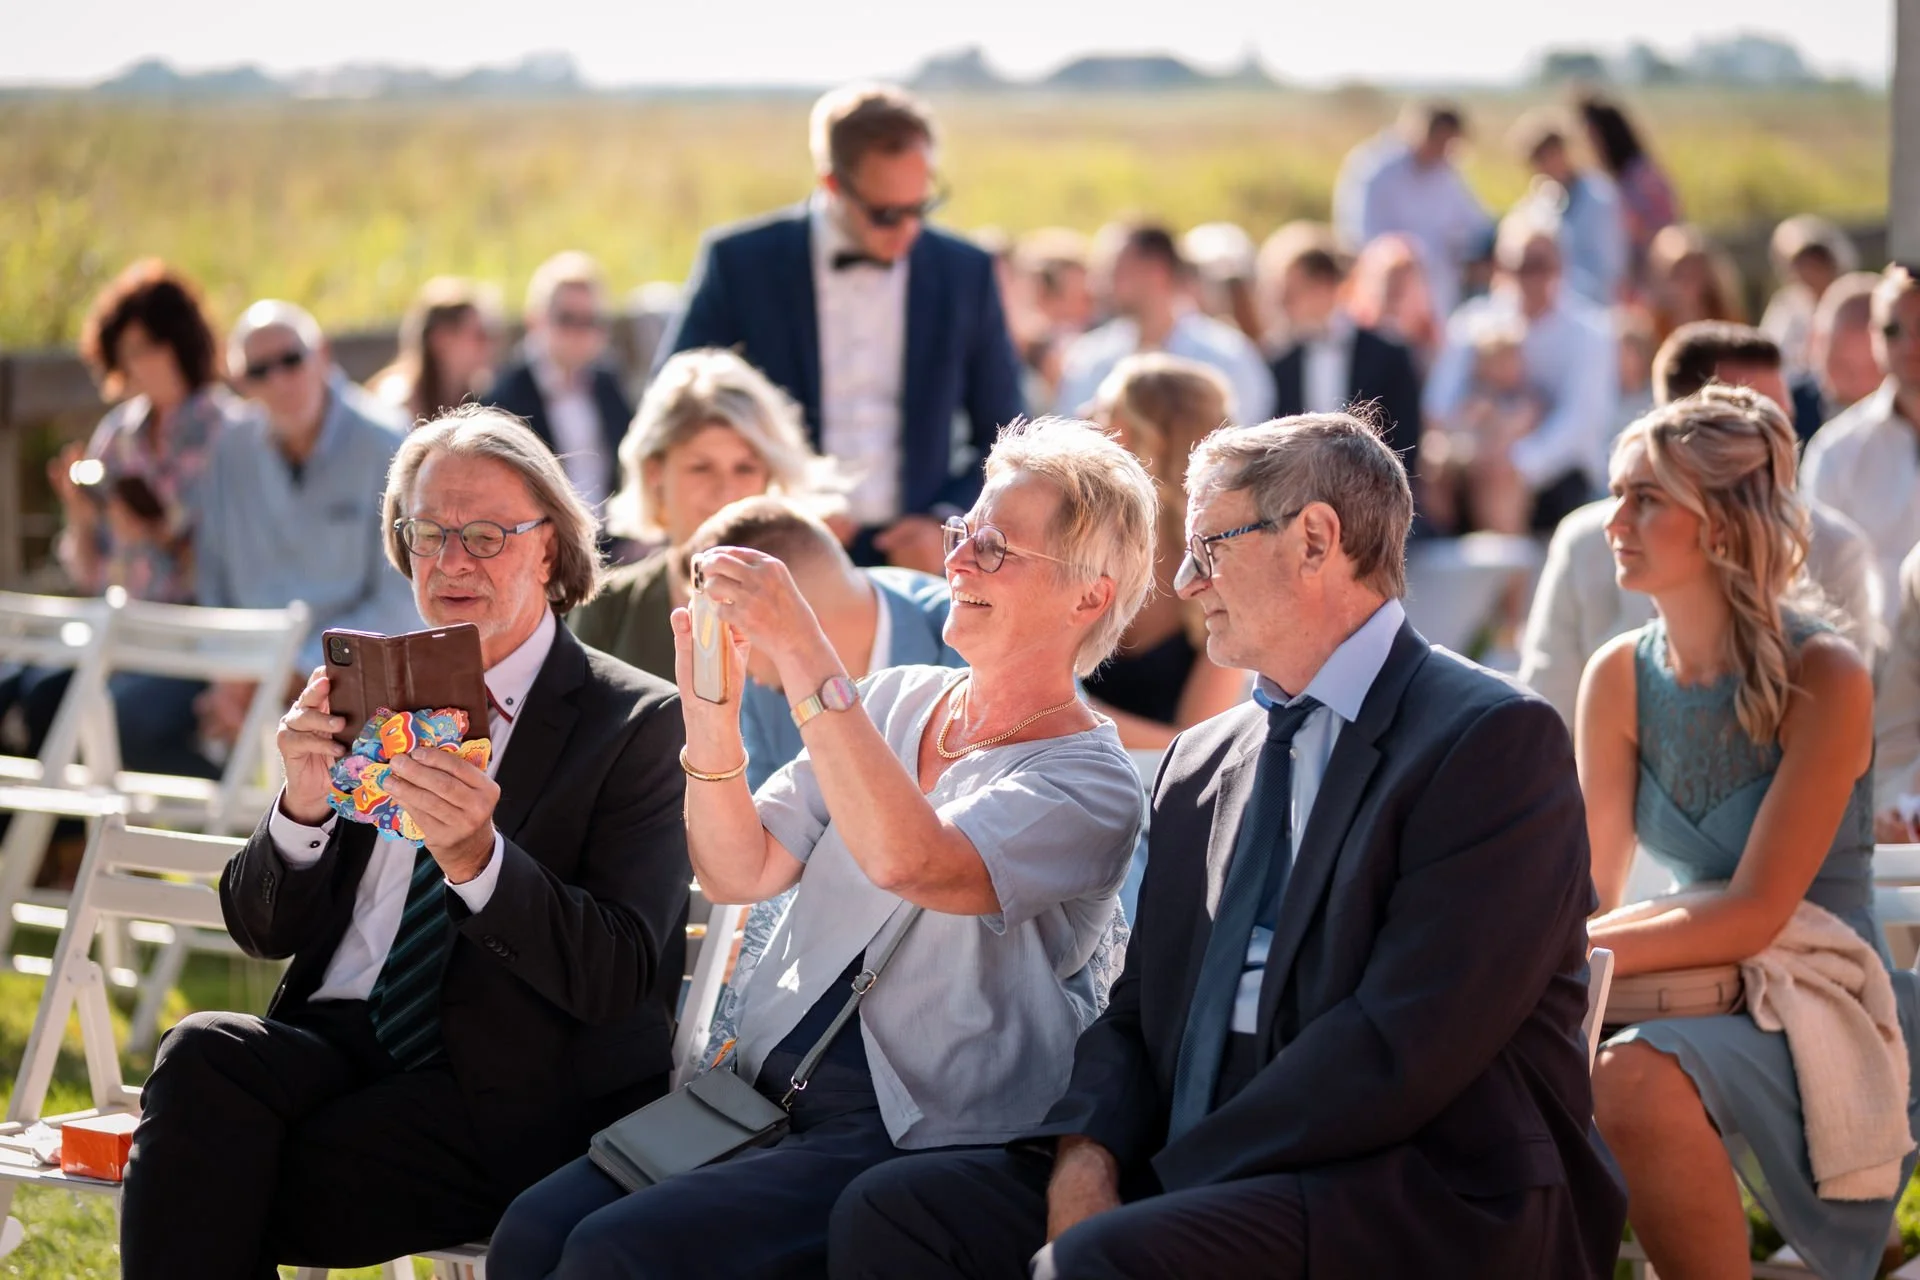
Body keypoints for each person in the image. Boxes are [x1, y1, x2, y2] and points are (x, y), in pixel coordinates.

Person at [830, 411, 1626, 1279]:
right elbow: (1136, 1011)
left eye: (1208, 547)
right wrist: (1087, 1157)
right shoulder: (1203, 757)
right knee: (897, 1213)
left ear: (1316, 540)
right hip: (1206, 1144)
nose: (1182, 581)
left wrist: (1171, 1183)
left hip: (1412, 1184)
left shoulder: (1492, 740)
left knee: (1103, 1259)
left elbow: (1403, 1047)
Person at [486, 416, 1155, 1279]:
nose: (957, 561)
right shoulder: (893, 696)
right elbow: (740, 869)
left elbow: (915, 860)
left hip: (909, 1131)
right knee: (533, 1233)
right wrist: (714, 726)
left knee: (619, 1255)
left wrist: (805, 652)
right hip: (759, 1098)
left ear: (1088, 595)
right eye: (962, 536)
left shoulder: (1090, 782)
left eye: (994, 548)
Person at [118, 406, 692, 1277]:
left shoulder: (637, 723)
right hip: (336, 1043)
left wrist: (477, 860)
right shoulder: (373, 686)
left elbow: (618, 978)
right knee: (201, 1053)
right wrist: (301, 809)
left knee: (210, 1175)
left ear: (550, 549)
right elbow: (258, 931)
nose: (454, 560)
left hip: (510, 1089)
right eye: (429, 533)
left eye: (488, 534)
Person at [1581, 385, 1920, 1280]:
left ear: (1722, 528)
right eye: (1617, 491)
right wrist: (1539, 947)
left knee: (1629, 1080)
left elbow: (1758, 911)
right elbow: (1590, 888)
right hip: (1702, 984)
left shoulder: (1826, 673)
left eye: (1646, 498)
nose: (1614, 518)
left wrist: (1549, 950)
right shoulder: (1616, 675)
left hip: (1828, 994)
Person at [660, 82, 1024, 575]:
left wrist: (947, 520)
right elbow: (678, 405)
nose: (908, 230)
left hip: (918, 558)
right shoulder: (740, 264)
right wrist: (784, 503)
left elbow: (1007, 431)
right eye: (886, 214)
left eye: (921, 207)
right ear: (832, 185)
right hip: (775, 550)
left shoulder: (966, 272)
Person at [1519, 321, 1883, 725]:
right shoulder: (1586, 545)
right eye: (1745, 425)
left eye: (1782, 421)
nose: (1773, 445)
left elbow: (1846, 730)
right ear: (1674, 427)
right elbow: (1545, 717)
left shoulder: (1834, 551)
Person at [4, 259, 248, 778]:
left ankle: (228, 822)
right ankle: (59, 847)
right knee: (24, 693)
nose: (135, 365)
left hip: (192, 641)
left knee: (105, 716)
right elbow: (92, 573)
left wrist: (160, 537)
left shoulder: (230, 433)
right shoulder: (120, 434)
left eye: (145, 348)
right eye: (125, 353)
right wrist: (81, 514)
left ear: (179, 342)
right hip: (120, 629)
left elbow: (242, 564)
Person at [194, 300, 423, 751]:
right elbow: (211, 574)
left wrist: (295, 670)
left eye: (291, 359)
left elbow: (403, 597)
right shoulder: (229, 450)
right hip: (243, 676)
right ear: (240, 383)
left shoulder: (389, 442)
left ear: (322, 354)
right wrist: (229, 672)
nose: (279, 379)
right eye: (259, 371)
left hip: (354, 681)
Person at [570, 348, 843, 679]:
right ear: (656, 473)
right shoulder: (608, 607)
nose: (726, 492)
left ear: (771, 476)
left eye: (745, 468)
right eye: (701, 468)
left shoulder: (813, 601)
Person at [1084, 354, 1250, 746]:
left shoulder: (1229, 575)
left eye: (1106, 411)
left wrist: (1063, 710)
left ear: (1149, 440)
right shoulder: (1078, 542)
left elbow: (1195, 747)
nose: (1085, 416)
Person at [1423, 211, 1618, 536]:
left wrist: (1519, 460)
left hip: (1559, 473)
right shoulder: (1473, 321)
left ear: (1560, 265)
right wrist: (1476, 432)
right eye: (1520, 265)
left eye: (1540, 264)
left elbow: (1582, 422)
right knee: (1430, 464)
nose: (1530, 276)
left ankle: (1511, 579)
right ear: (1500, 267)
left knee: (1502, 482)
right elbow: (1439, 403)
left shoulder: (1590, 332)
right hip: (1478, 448)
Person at [1055, 223, 1274, 426]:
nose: (1099, 283)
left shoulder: (1226, 355)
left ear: (1156, 271)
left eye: (1116, 269)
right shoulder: (1091, 356)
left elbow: (1240, 439)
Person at [1802, 265, 1920, 632]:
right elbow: (1816, 583)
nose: (1909, 344)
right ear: (1874, 336)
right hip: (1877, 671)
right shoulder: (1836, 451)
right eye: (1892, 329)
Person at [1261, 225, 1424, 466]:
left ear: (1324, 286)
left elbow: (1406, 438)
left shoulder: (1388, 355)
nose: (1283, 304)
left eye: (1291, 293)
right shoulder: (1278, 361)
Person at [482, 251, 632, 511]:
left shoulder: (607, 383)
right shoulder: (503, 397)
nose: (579, 333)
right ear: (534, 319)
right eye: (567, 319)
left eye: (591, 321)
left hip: (609, 537)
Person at [1333, 101, 1494, 320]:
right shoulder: (1374, 170)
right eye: (1440, 141)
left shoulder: (1448, 174)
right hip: (1384, 299)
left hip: (1437, 300)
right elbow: (1358, 236)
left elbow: (1477, 225)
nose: (1444, 150)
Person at [1512, 110, 1627, 306]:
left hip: (1597, 302)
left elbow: (1611, 262)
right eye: (1539, 159)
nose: (1546, 165)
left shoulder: (1599, 195)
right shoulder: (1538, 204)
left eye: (1550, 155)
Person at [369, 276, 501, 424]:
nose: (489, 345)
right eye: (479, 335)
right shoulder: (395, 404)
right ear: (441, 339)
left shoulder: (481, 398)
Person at [1578, 95, 1679, 282]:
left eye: (1592, 139)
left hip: (1655, 280)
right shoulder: (1606, 181)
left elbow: (1670, 233)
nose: (1587, 148)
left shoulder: (1644, 178)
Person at [1761, 215, 1857, 379]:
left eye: (1815, 264)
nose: (1809, 272)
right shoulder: (1786, 306)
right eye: (1802, 264)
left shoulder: (1851, 299)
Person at [1794, 271, 1885, 441]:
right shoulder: (1787, 411)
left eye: (1873, 368)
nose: (1858, 382)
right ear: (1815, 341)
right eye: (1841, 365)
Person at [1343, 232, 1442, 371]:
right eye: (1390, 282)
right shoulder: (1351, 342)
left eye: (1403, 285)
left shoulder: (1434, 345)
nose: (1394, 292)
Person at [1645, 224, 1746, 345]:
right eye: (1679, 274)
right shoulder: (1653, 325)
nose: (1687, 282)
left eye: (1694, 272)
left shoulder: (1727, 321)